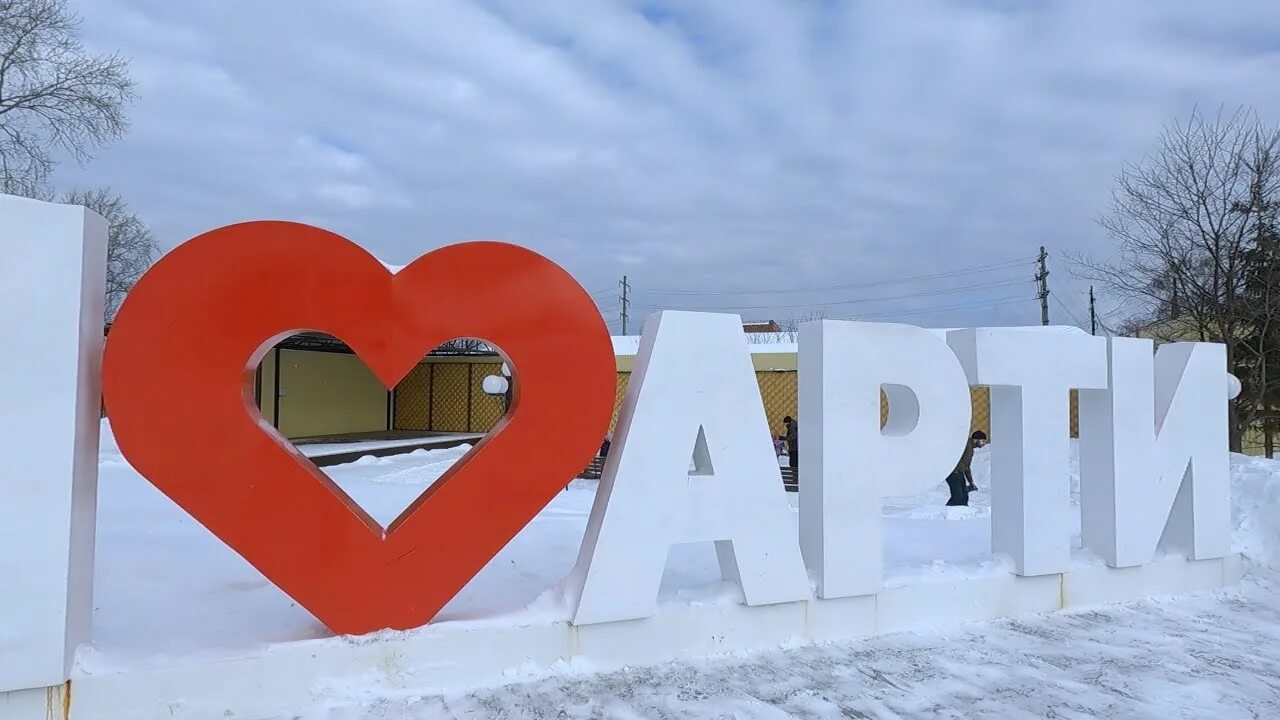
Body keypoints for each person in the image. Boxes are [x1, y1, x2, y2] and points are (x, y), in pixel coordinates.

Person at [946, 435, 974, 506]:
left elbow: (966, 466)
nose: (983, 444)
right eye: (983, 441)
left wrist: (970, 481)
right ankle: (948, 512)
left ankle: (963, 513)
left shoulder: (970, 448)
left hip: (959, 472)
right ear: (976, 439)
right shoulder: (967, 446)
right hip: (953, 472)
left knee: (964, 496)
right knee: (958, 496)